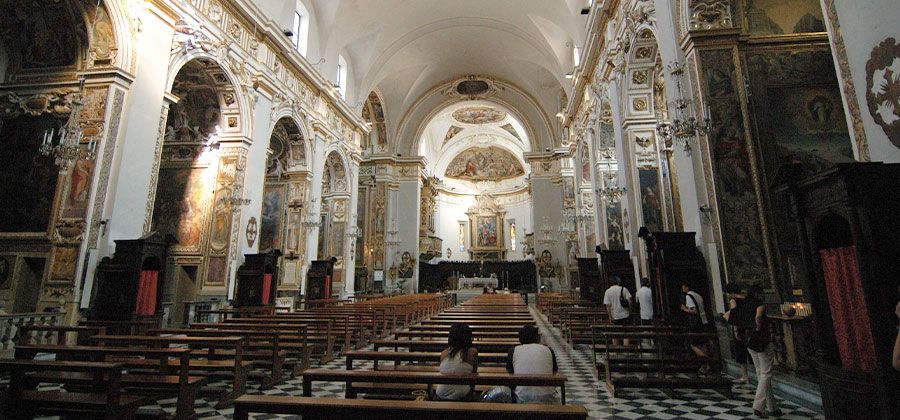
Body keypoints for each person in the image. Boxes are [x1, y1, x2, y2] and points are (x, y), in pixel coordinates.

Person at [737, 285, 780, 418]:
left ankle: (772, 406)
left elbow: (734, 318)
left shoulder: (743, 305)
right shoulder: (759, 305)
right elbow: (758, 318)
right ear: (757, 294)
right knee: (766, 373)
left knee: (760, 372)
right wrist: (758, 328)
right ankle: (758, 406)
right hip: (760, 340)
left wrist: (739, 332)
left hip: (748, 340)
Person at [506, 324, 558, 404]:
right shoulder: (549, 350)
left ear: (520, 339)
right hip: (548, 398)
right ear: (537, 338)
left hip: (522, 397)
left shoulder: (513, 351)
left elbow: (510, 373)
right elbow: (554, 372)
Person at [435, 323, 478, 401]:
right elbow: (474, 375)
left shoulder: (444, 353)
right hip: (462, 394)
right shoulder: (472, 352)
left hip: (440, 393)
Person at [680, 281, 712, 374]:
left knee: (693, 344)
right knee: (702, 344)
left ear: (686, 287)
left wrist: (684, 309)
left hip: (696, 323)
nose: (683, 288)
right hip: (704, 321)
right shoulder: (698, 295)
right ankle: (705, 366)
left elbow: (694, 311)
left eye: (683, 286)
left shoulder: (688, 296)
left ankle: (708, 360)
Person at [722, 283, 751, 384]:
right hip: (749, 325)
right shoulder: (746, 299)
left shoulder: (733, 300)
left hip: (740, 327)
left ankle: (745, 376)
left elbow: (735, 316)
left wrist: (735, 330)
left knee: (741, 351)